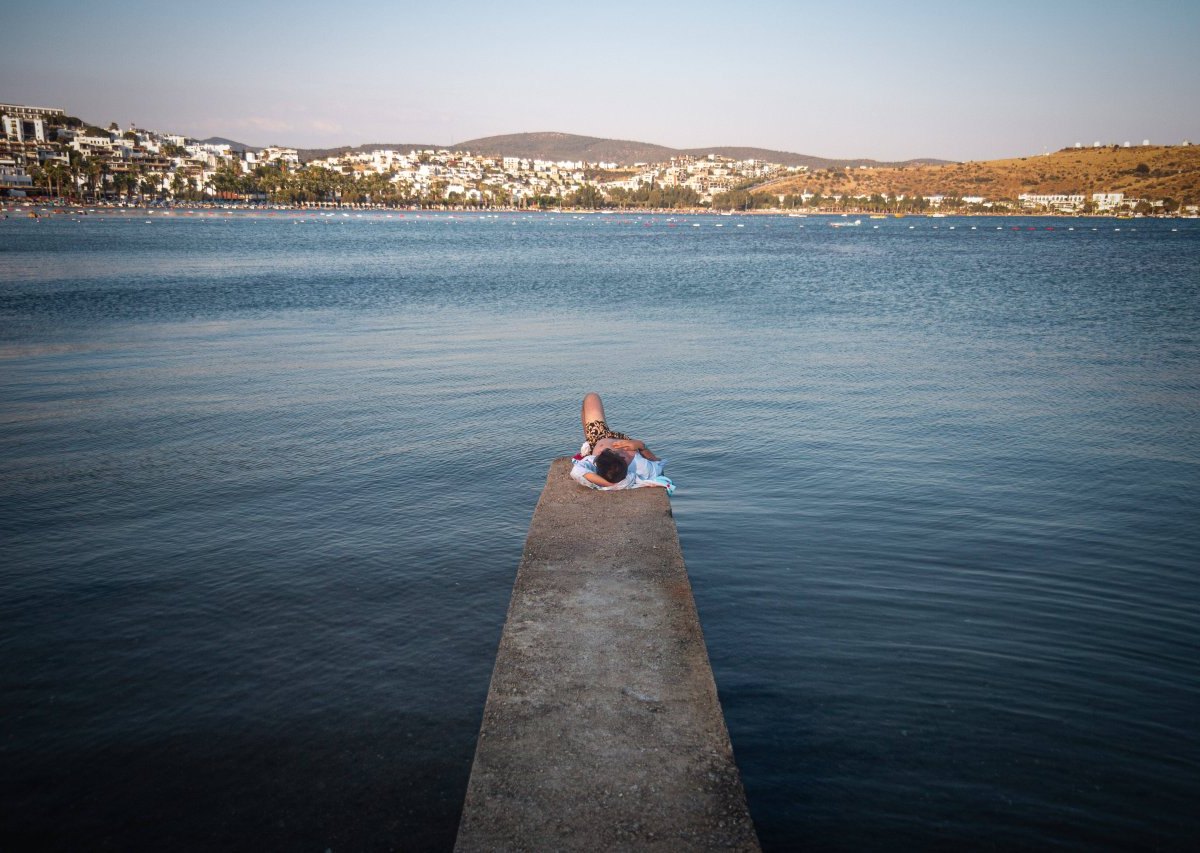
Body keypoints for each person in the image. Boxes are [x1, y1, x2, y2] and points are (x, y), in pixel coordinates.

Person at [570, 393, 673, 493]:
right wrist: (641, 446)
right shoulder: (641, 467)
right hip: (629, 441)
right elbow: (657, 463)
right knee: (591, 398)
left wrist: (609, 485)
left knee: (591, 398)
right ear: (624, 459)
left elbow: (576, 471)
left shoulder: (595, 463)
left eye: (607, 452)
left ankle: (588, 441)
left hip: (599, 436)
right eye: (619, 454)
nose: (617, 451)